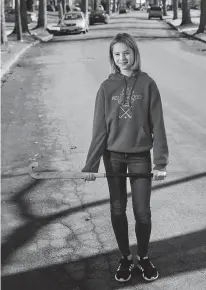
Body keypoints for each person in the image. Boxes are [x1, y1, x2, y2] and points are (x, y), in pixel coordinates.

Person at [82, 33, 169, 283]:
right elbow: (100, 128)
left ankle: (142, 256)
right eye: (117, 54)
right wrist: (91, 164)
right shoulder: (106, 87)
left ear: (135, 53)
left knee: (142, 213)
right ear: (112, 57)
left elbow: (158, 125)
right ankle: (124, 257)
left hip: (140, 156)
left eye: (126, 52)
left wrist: (160, 162)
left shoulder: (148, 84)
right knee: (118, 209)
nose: (122, 58)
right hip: (114, 157)